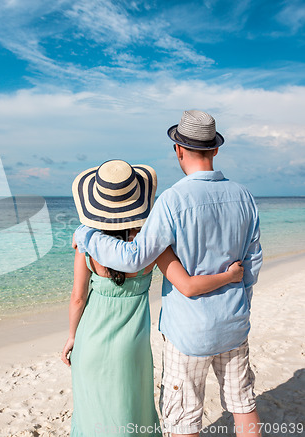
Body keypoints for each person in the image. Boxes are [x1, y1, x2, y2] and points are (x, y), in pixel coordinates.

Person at [73, 111, 263, 437]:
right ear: (215, 149)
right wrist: (235, 298)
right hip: (234, 323)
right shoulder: (244, 195)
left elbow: (133, 258)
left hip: (187, 332)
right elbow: (253, 263)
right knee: (243, 406)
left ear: (178, 149)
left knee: (183, 420)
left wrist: (87, 236)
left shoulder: (172, 201)